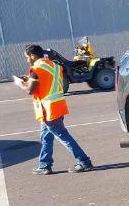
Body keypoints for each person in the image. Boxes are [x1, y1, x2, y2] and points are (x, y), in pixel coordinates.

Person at [16, 44, 94, 175]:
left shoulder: (36, 69)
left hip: (49, 109)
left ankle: (84, 161)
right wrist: (29, 79)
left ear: (32, 55)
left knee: (63, 136)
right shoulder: (54, 66)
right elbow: (47, 81)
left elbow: (30, 90)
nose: (27, 60)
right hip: (56, 106)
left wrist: (21, 83)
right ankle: (44, 165)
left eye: (27, 57)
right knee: (46, 137)